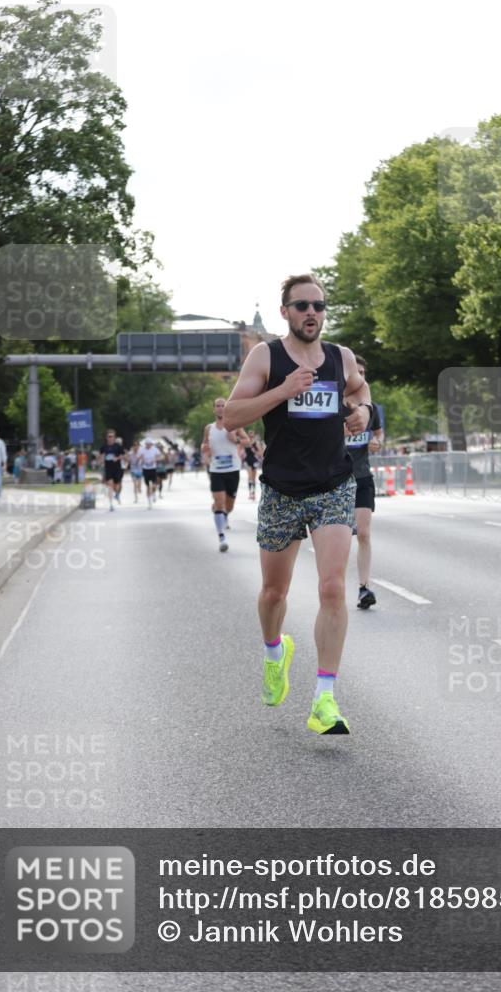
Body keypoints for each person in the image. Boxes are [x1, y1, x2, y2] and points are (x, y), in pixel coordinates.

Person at [224, 273, 372, 735]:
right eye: (302, 305)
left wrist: (363, 410)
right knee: (274, 595)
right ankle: (274, 651)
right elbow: (232, 415)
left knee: (332, 589)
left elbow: (360, 391)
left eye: (319, 306)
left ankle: (324, 699)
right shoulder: (265, 356)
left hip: (333, 484)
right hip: (282, 488)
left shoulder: (340, 357)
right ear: (285, 311)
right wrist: (283, 391)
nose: (312, 313)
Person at [345, 355, 385, 609]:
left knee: (364, 533)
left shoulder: (372, 409)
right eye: (355, 372)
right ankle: (333, 587)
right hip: (335, 481)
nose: (359, 376)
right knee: (338, 541)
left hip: (361, 477)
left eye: (363, 372)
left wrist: (376, 442)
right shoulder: (332, 405)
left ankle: (363, 587)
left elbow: (379, 435)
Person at [201, 398, 250, 552]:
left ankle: (223, 514)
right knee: (219, 502)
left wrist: (235, 439)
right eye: (218, 406)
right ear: (214, 409)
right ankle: (221, 536)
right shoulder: (209, 428)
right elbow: (204, 444)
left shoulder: (235, 425)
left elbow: (248, 441)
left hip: (233, 470)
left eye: (223, 406)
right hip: (216, 470)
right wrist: (204, 449)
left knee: (229, 506)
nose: (221, 408)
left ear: (227, 409)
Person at [98, 430, 126, 512]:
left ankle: (117, 494)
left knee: (116, 485)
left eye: (112, 436)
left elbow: (124, 456)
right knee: (110, 485)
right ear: (106, 438)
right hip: (108, 469)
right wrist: (100, 460)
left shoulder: (118, 446)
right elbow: (100, 456)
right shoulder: (103, 447)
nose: (111, 438)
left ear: (114, 437)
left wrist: (117, 458)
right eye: (109, 436)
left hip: (117, 468)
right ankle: (111, 504)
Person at [138, 437, 160, 508]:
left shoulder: (155, 449)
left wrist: (155, 459)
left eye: (150, 444)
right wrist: (141, 458)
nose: (148, 445)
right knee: (148, 486)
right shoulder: (141, 450)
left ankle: (153, 493)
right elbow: (138, 458)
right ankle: (149, 502)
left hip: (153, 468)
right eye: (147, 444)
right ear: (145, 444)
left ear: (151, 444)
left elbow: (160, 456)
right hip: (145, 469)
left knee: (154, 485)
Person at [243, 431, 264, 500]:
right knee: (250, 476)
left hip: (254, 460)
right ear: (248, 435)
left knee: (254, 478)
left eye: (252, 434)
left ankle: (253, 493)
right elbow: (242, 448)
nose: (251, 435)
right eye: (250, 434)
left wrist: (256, 452)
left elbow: (261, 452)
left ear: (253, 435)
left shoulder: (256, 443)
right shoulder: (246, 442)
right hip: (247, 460)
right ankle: (250, 493)